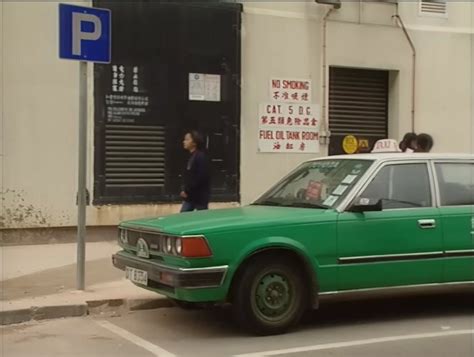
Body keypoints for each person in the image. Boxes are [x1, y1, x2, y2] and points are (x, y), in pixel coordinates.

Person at [180, 131, 211, 212]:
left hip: (199, 196)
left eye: (187, 139)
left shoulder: (200, 157)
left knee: (201, 219)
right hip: (190, 196)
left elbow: (200, 177)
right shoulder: (190, 156)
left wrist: (187, 190)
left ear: (194, 142)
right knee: (183, 218)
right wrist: (184, 189)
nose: (184, 142)